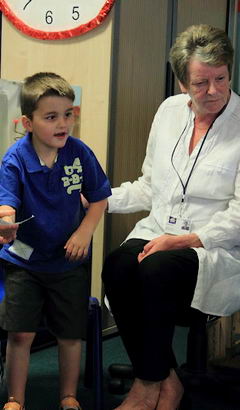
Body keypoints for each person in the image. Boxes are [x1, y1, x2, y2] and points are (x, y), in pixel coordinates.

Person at [102, 24, 240, 410]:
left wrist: (179, 241)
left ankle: (146, 387)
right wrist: (100, 200)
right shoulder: (167, 112)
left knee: (155, 270)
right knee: (117, 266)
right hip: (159, 230)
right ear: (182, 82)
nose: (213, 91)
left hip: (214, 246)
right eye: (200, 82)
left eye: (221, 78)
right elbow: (150, 185)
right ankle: (167, 379)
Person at [0, 72, 111, 410]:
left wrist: (84, 231)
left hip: (67, 262)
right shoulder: (15, 158)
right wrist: (5, 224)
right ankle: (16, 399)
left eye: (68, 114)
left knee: (69, 334)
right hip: (25, 263)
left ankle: (69, 396)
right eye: (51, 117)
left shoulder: (79, 153)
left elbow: (99, 198)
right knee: (20, 333)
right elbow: (7, 204)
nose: (63, 123)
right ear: (27, 122)